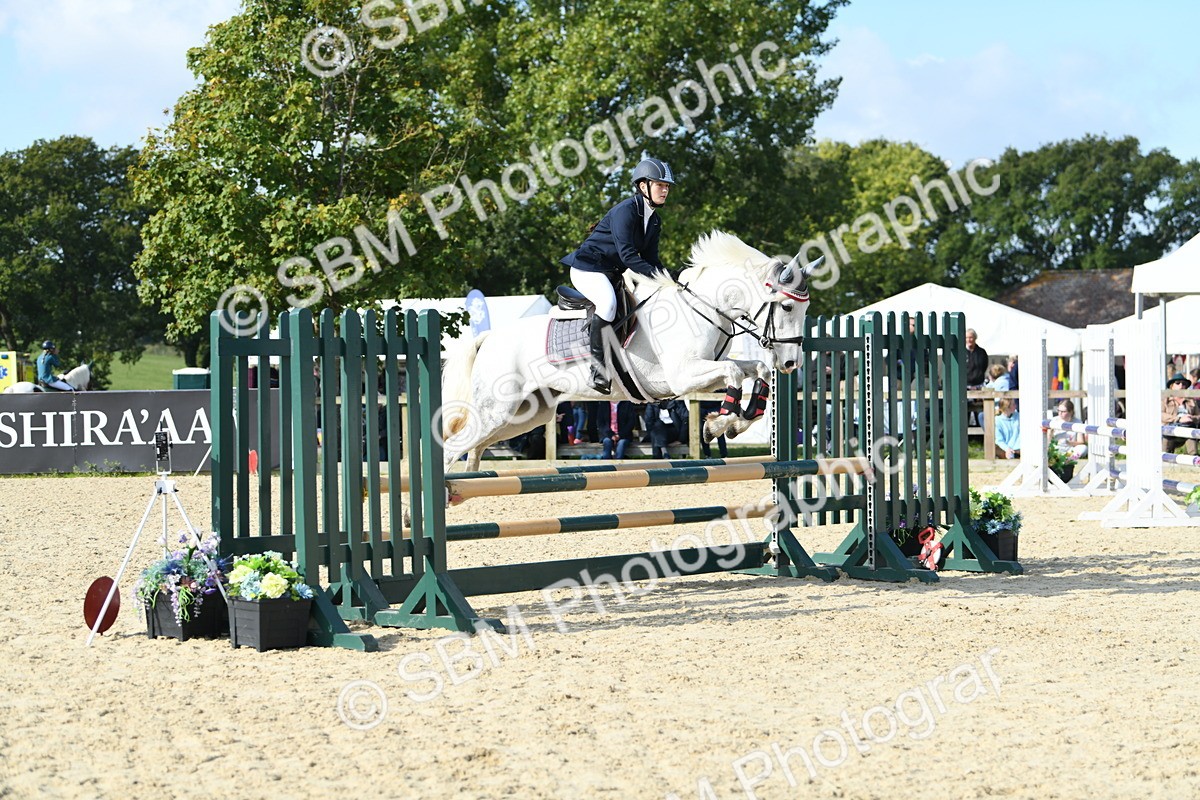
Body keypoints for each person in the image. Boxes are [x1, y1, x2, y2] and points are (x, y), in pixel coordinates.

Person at [561, 157, 675, 392]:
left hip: (611, 273)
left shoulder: (654, 221)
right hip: (587, 268)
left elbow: (651, 260)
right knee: (608, 304)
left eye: (667, 187)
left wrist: (672, 276)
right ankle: (597, 371)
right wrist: (665, 276)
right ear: (643, 186)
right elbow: (629, 258)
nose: (665, 190)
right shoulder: (626, 211)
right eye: (660, 185)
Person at [1162, 373, 1197, 456]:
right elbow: (1160, 415)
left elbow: (1198, 415)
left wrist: (1192, 418)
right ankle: (1165, 458)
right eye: (1177, 383)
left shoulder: (1191, 401)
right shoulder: (1164, 400)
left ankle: (1194, 460)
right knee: (1167, 432)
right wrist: (1178, 418)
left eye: (1184, 384)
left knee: (1191, 431)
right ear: (1172, 386)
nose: (1181, 385)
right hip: (1170, 429)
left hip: (1187, 428)